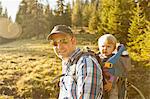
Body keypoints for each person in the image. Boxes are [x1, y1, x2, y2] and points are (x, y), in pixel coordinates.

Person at [47, 25, 103, 99]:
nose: (59, 47)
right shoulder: (67, 63)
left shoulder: (85, 63)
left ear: (73, 41)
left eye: (64, 41)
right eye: (55, 44)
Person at [98, 34, 131, 99]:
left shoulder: (115, 59)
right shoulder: (98, 58)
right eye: (103, 46)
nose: (105, 48)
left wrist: (111, 82)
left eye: (108, 46)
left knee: (113, 95)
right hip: (100, 83)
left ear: (113, 48)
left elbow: (116, 73)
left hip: (112, 84)